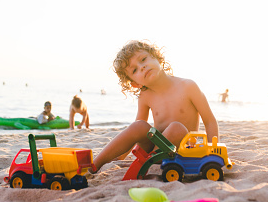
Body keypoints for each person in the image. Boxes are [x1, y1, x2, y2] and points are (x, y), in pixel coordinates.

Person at [91, 40, 219, 173]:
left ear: (157, 57)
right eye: (134, 70)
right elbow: (136, 133)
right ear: (135, 84)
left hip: (182, 149)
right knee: (139, 125)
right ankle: (95, 164)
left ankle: (147, 161)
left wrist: (212, 152)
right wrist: (122, 156)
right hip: (154, 148)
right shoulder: (145, 95)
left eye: (143, 59)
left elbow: (209, 120)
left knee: (177, 128)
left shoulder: (188, 86)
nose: (142, 67)